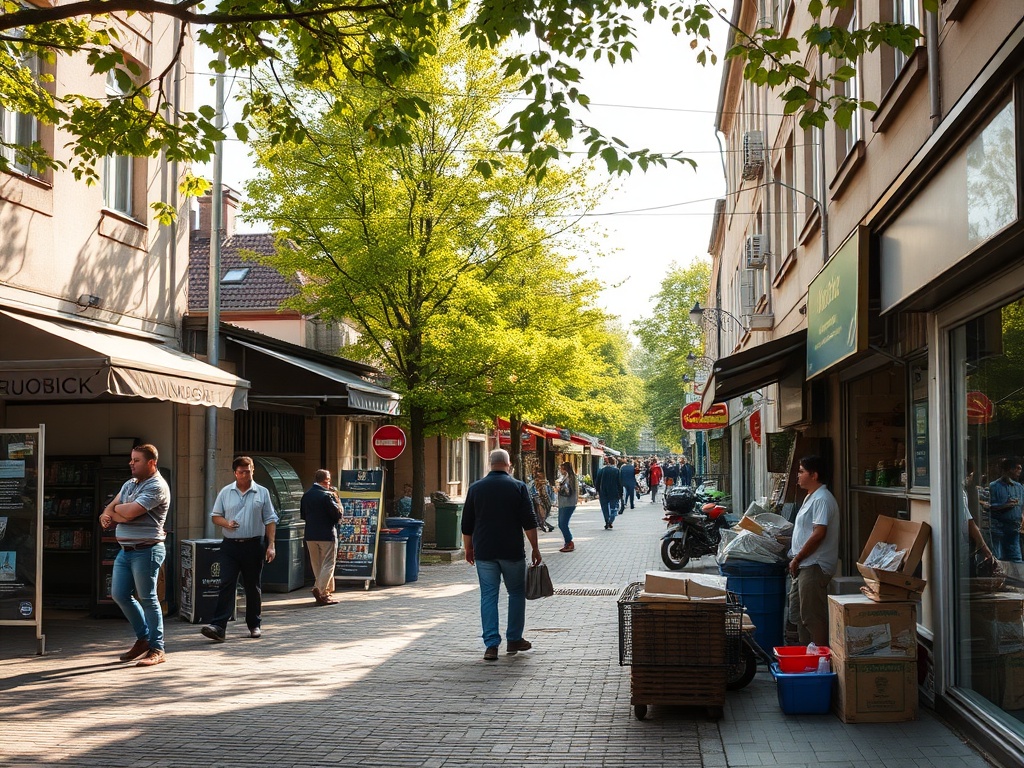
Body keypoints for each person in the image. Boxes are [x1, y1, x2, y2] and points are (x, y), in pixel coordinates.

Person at [461, 449, 542, 661]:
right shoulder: (518, 487)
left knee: (488, 595)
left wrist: (468, 548)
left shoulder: (476, 488)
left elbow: (467, 523)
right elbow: (529, 521)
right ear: (508, 464)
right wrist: (535, 548)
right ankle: (514, 638)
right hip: (512, 551)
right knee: (516, 593)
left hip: (485, 551)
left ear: (490, 464)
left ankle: (491, 645)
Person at [98, 444, 170, 668]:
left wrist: (120, 512)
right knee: (119, 594)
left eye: (136, 460)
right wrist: (117, 512)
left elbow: (125, 512)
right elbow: (108, 510)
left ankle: (157, 648)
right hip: (125, 551)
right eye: (131, 459)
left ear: (151, 463)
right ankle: (143, 638)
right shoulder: (129, 484)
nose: (131, 463)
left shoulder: (157, 486)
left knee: (148, 598)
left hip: (146, 550)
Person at [201, 456, 279, 642]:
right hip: (230, 545)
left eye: (249, 470)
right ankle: (219, 626)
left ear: (253, 470)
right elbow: (215, 516)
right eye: (242, 471)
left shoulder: (262, 492)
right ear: (235, 473)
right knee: (226, 583)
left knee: (252, 586)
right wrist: (226, 523)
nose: (246, 474)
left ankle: (254, 624)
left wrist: (271, 545)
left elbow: (270, 519)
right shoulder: (226, 492)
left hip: (254, 544)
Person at [787, 455, 840, 646]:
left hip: (814, 566)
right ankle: (806, 657)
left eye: (801, 471)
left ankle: (820, 661)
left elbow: (819, 534)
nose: (798, 476)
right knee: (800, 616)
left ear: (814, 475)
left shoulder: (822, 499)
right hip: (803, 565)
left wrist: (797, 558)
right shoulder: (811, 496)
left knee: (812, 617)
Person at [300, 469, 343, 606]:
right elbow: (337, 515)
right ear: (326, 481)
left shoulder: (306, 495)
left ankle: (325, 593)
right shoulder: (327, 496)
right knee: (329, 563)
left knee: (316, 564)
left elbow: (303, 515)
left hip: (310, 534)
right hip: (326, 533)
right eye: (329, 480)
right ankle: (319, 589)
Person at [988, 458, 1023, 562]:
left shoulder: (1019, 487)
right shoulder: (994, 486)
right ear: (1009, 469)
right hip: (998, 529)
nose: (1019, 471)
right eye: (1017, 468)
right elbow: (989, 506)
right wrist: (1005, 506)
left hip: (1014, 529)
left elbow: (1022, 505)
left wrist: (1022, 516)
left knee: (1016, 559)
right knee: (998, 560)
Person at [554, 461, 578, 552]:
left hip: (568, 503)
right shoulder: (566, 477)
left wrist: (558, 489)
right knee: (561, 524)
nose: (560, 470)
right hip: (564, 503)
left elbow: (568, 491)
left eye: (561, 468)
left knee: (562, 524)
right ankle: (567, 542)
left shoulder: (570, 478)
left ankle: (569, 542)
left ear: (565, 469)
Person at [595, 455, 623, 530]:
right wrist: (621, 493)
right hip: (614, 492)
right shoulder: (616, 470)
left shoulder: (601, 470)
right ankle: (611, 520)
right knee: (614, 507)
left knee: (604, 507)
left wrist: (597, 491)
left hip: (603, 491)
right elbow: (619, 483)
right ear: (614, 462)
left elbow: (597, 482)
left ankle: (607, 520)